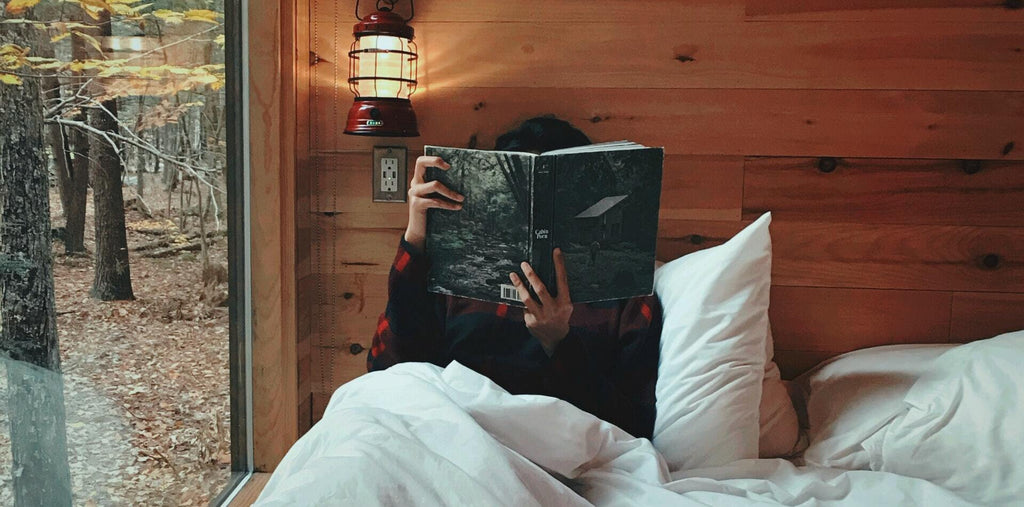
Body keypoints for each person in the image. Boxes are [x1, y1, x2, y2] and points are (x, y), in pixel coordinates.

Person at [366, 116, 663, 439]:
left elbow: (632, 426)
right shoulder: (455, 274)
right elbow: (388, 371)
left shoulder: (625, 291)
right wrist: (416, 238)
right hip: (452, 437)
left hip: (555, 455)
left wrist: (559, 343)